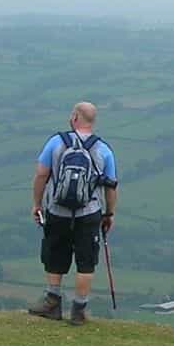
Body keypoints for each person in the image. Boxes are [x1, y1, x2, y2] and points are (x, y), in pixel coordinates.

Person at [26, 101, 118, 324]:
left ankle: (52, 302)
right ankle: (78, 311)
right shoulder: (103, 149)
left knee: (54, 255)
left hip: (57, 210)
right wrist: (109, 214)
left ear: (75, 117)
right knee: (86, 262)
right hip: (89, 213)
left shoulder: (56, 142)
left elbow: (41, 175)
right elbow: (111, 186)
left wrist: (37, 203)